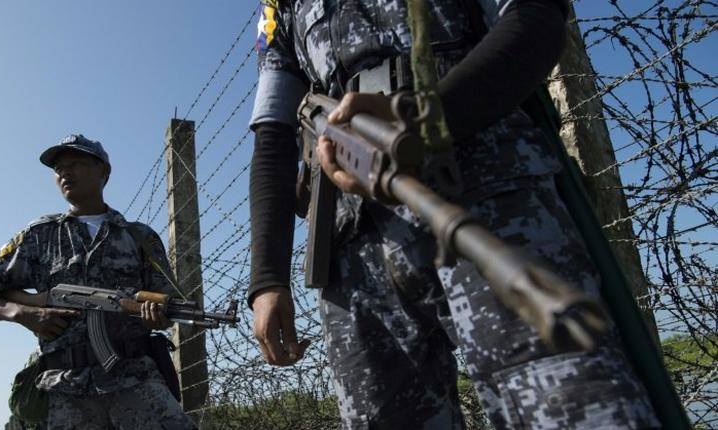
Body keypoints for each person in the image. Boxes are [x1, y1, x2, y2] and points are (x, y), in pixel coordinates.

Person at [248, 0, 661, 428]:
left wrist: (429, 119)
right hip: (352, 241)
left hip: (488, 190)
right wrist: (267, 277)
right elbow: (274, 136)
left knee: (570, 404)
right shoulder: (280, 6)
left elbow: (534, 17)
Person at [0, 134, 196, 430]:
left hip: (134, 378)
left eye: (77, 163)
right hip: (65, 387)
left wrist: (157, 318)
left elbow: (164, 305)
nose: (65, 173)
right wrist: (22, 313)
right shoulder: (39, 235)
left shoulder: (140, 237)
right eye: (59, 168)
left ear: (104, 171)